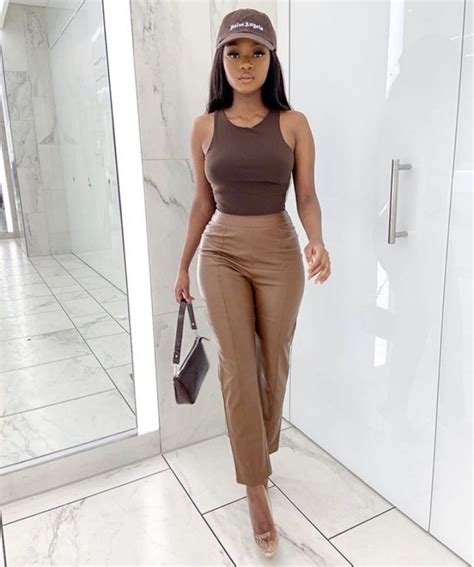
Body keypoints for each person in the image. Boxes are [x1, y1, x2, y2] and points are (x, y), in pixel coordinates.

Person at [174, 7, 331, 558]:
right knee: (238, 366)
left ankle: (257, 452)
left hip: (280, 250)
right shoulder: (204, 127)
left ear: (271, 59)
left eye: (257, 52)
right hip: (220, 252)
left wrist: (317, 240)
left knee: (272, 360)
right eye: (235, 52)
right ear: (221, 59)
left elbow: (306, 195)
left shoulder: (294, 123)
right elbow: (202, 202)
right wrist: (183, 264)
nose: (245, 63)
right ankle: (255, 487)